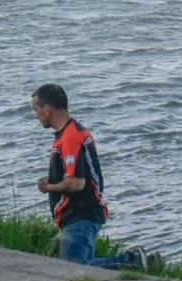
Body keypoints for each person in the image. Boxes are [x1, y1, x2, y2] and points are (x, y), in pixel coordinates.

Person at [32, 84, 157, 270]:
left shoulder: (70, 137)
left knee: (74, 268)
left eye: (36, 110)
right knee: (75, 266)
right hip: (77, 215)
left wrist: (48, 188)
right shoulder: (71, 132)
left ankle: (132, 261)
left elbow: (76, 183)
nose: (36, 115)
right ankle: (134, 263)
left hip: (81, 214)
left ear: (46, 109)